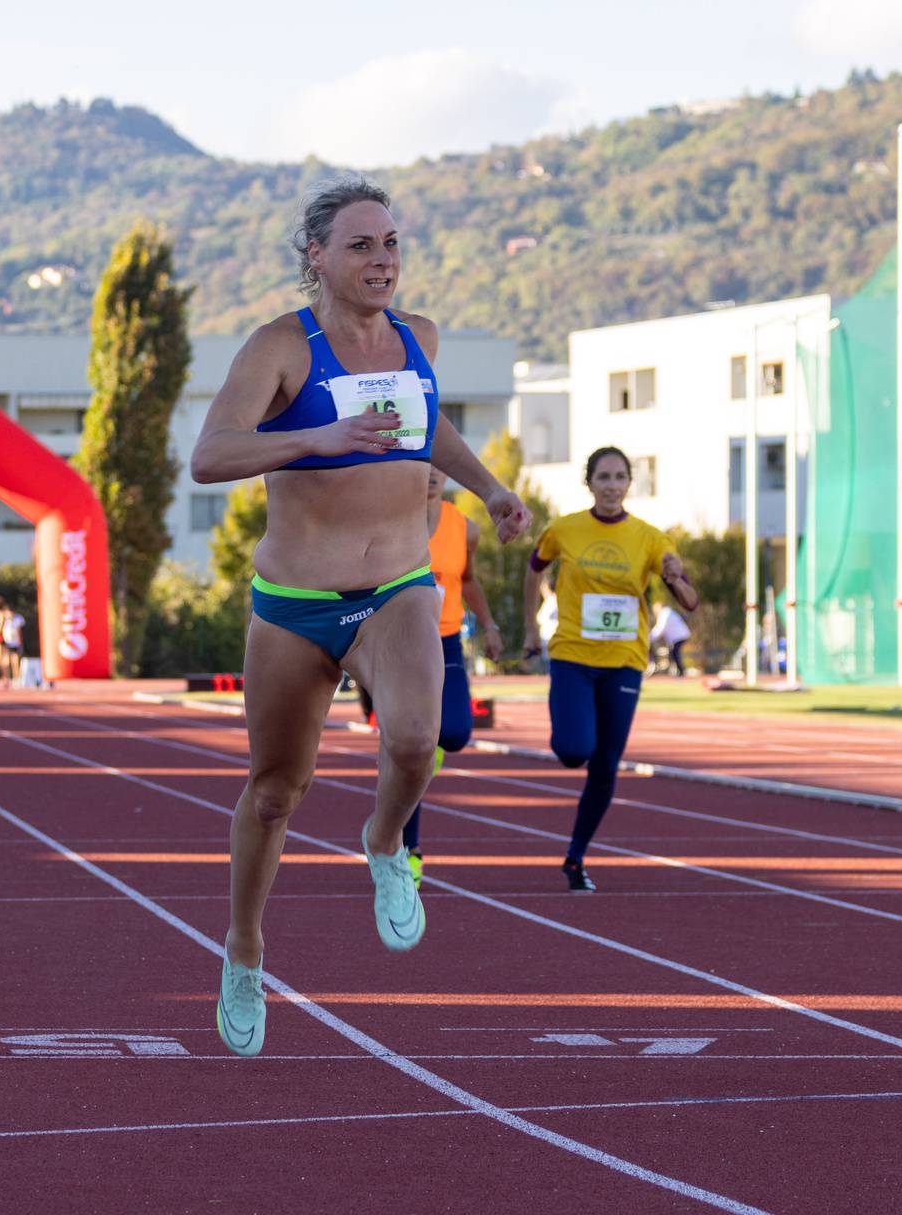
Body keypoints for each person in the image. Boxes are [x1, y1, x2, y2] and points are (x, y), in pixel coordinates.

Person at [189, 176, 530, 1057]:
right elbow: (211, 454)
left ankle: (384, 845)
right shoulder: (281, 350)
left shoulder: (419, 337)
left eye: (391, 245)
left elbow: (430, 431)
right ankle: (244, 949)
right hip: (296, 603)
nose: (383, 261)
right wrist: (315, 437)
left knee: (419, 741)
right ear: (317, 258)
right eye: (362, 246)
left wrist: (489, 490)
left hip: (398, 587)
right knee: (274, 796)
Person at [523, 447, 699, 893]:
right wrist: (530, 628)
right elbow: (533, 570)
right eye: (604, 477)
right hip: (573, 656)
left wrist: (675, 575)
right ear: (590, 483)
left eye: (620, 477)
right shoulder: (564, 529)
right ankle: (568, 736)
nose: (612, 485)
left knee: (605, 768)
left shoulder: (650, 537)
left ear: (629, 484)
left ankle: (576, 857)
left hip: (624, 662)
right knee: (573, 749)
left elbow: (683, 589)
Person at [354, 465, 501, 885]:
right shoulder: (388, 517)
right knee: (410, 748)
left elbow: (468, 580)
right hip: (398, 641)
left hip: (446, 639)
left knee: (453, 733)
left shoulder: (464, 528)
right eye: (426, 465)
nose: (433, 475)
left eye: (441, 468)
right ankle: (408, 850)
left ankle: (420, 759)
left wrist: (489, 625)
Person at [650, 601, 692, 676]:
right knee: (672, 653)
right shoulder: (667, 612)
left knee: (674, 653)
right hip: (678, 636)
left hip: (679, 636)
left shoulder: (665, 613)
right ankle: (677, 670)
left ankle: (681, 671)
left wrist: (650, 637)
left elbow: (660, 628)